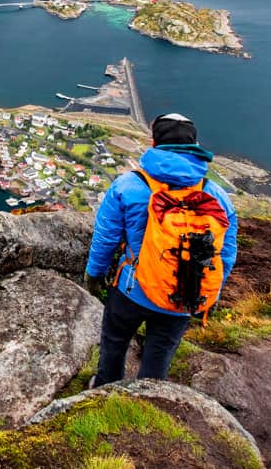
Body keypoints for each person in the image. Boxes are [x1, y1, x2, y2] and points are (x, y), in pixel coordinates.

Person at [84, 112, 238, 386]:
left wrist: (94, 275)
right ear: (195, 144)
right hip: (183, 292)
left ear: (153, 143)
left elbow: (106, 238)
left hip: (132, 289)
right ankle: (149, 400)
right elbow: (225, 253)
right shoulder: (215, 195)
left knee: (114, 342)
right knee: (159, 355)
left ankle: (104, 387)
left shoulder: (128, 185)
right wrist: (209, 292)